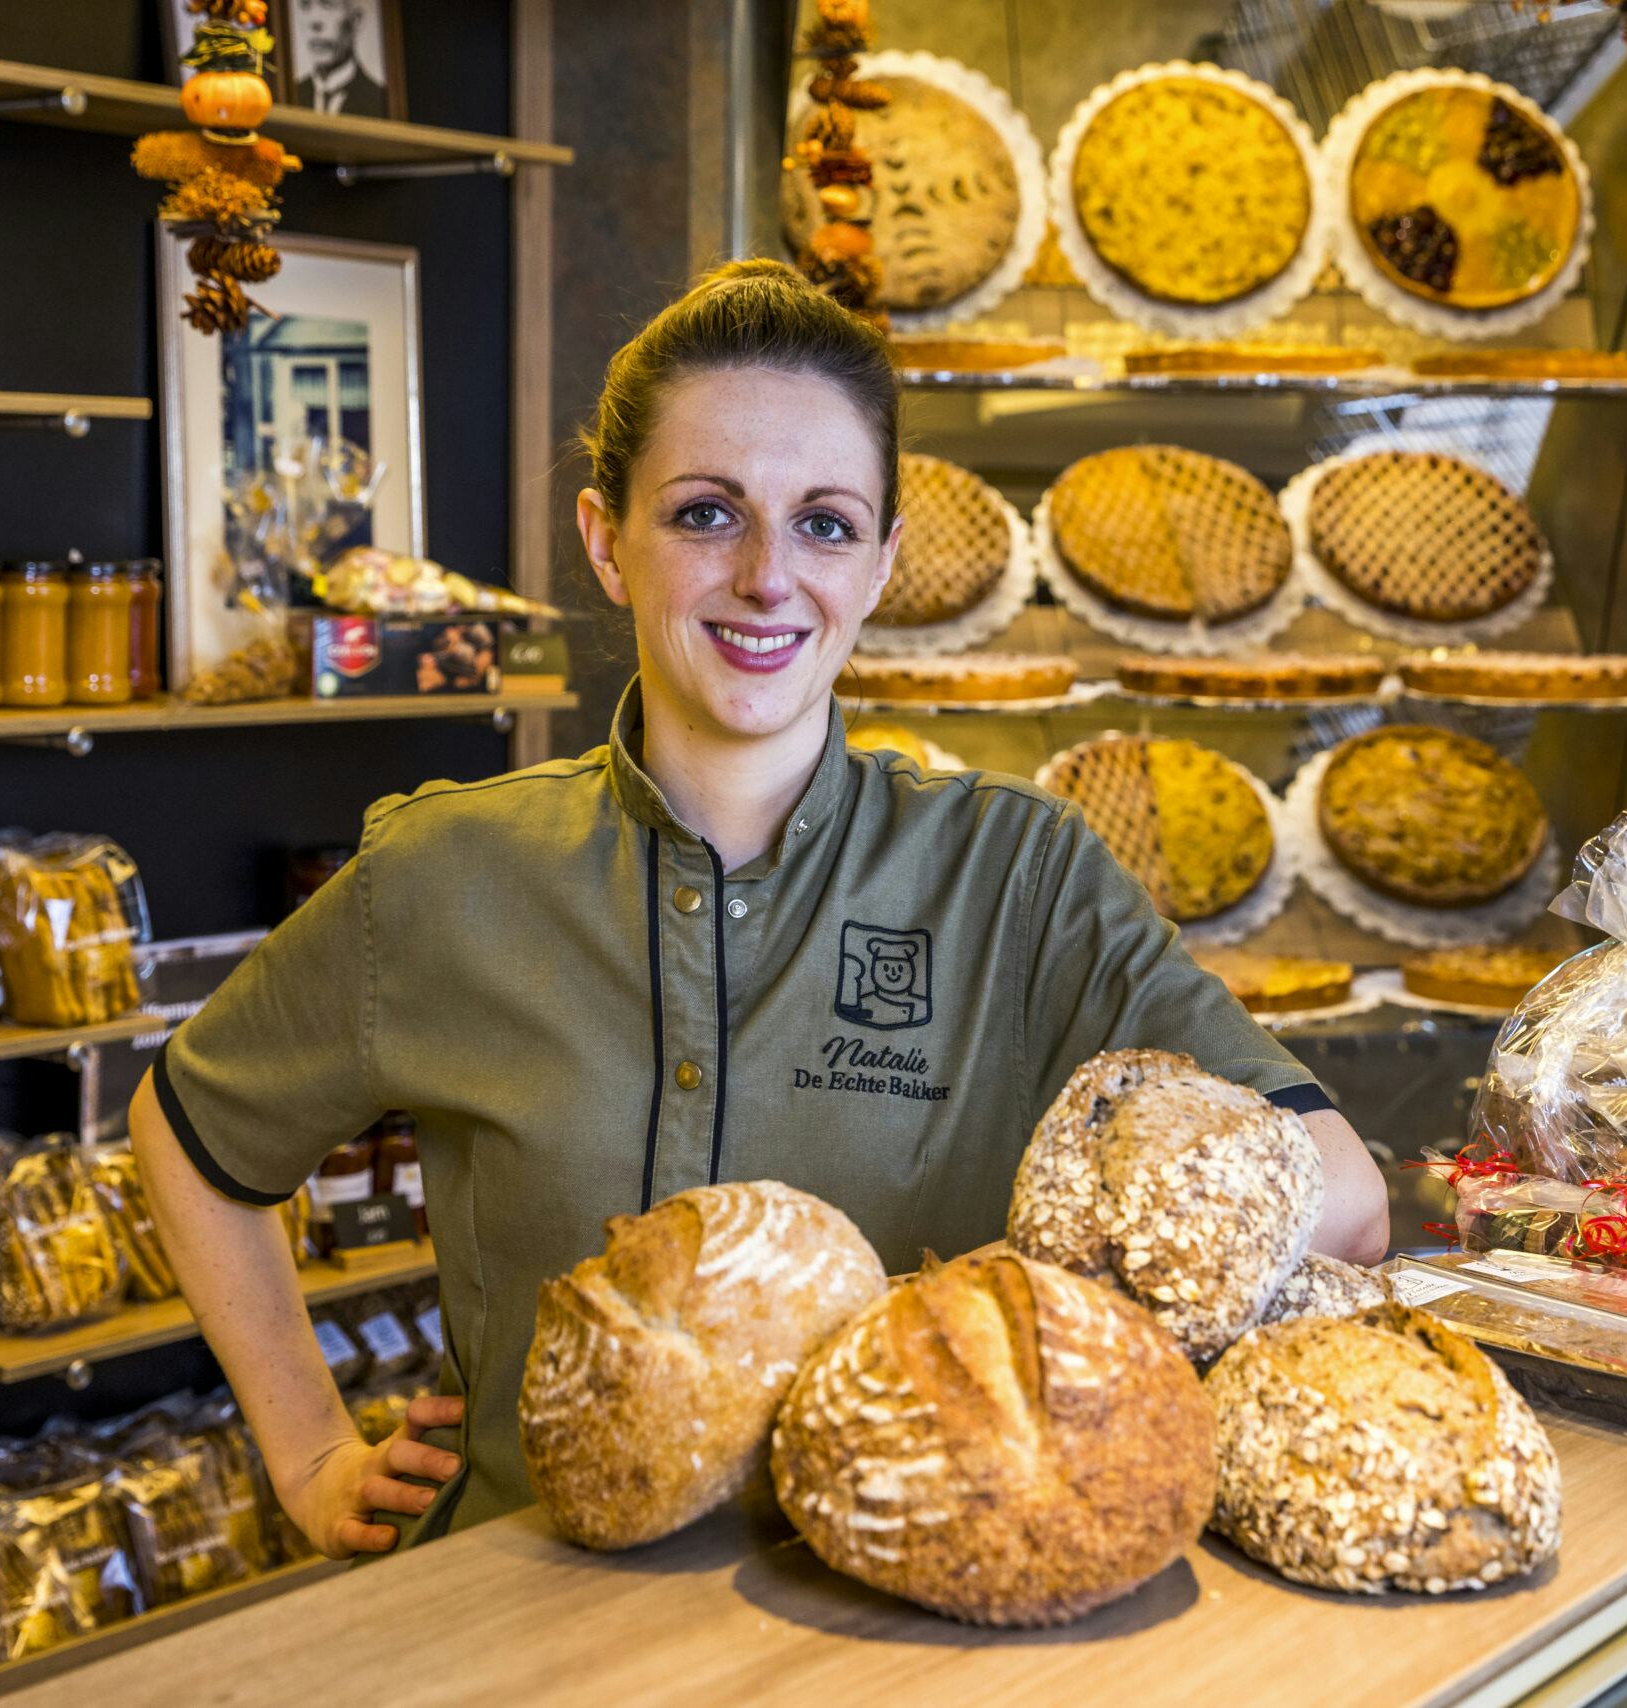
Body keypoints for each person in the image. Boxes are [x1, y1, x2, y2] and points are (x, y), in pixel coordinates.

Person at [131, 258, 1391, 1562]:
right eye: (705, 514)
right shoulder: (447, 872)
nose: (769, 576)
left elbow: (1343, 1196)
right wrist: (310, 1454)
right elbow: (190, 1133)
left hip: (901, 1636)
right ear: (604, 541)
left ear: (884, 564)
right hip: (520, 1626)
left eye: (827, 524)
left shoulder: (1021, 879)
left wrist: (1077, 1359)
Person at [288, 0, 388, 118]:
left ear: (356, 20)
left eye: (328, 5)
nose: (315, 22)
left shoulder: (380, 101)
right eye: (305, 5)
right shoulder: (291, 96)